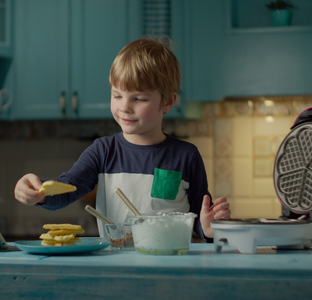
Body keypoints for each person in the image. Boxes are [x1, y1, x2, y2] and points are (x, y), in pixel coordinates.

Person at [14, 37, 230, 241]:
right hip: (115, 268)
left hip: (169, 267)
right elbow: (67, 189)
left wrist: (208, 228)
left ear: (168, 102)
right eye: (117, 95)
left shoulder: (186, 156)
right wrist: (39, 192)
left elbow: (196, 220)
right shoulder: (102, 151)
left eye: (139, 98)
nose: (125, 107)